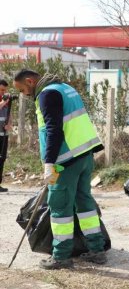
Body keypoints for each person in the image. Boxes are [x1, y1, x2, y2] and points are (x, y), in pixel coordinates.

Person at [13, 69, 107, 270]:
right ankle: (97, 250)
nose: (24, 95)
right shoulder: (65, 88)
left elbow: (54, 129)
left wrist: (49, 163)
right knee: (84, 203)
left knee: (60, 208)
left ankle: (61, 255)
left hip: (65, 160)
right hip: (84, 155)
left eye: (22, 90)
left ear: (30, 81)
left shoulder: (47, 94)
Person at [0, 80, 14, 192]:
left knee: (2, 158)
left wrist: (9, 124)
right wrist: (4, 102)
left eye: (5, 90)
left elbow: (10, 114)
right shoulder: (4, 101)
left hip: (4, 135)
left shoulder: (6, 100)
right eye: (1, 90)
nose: (3, 92)